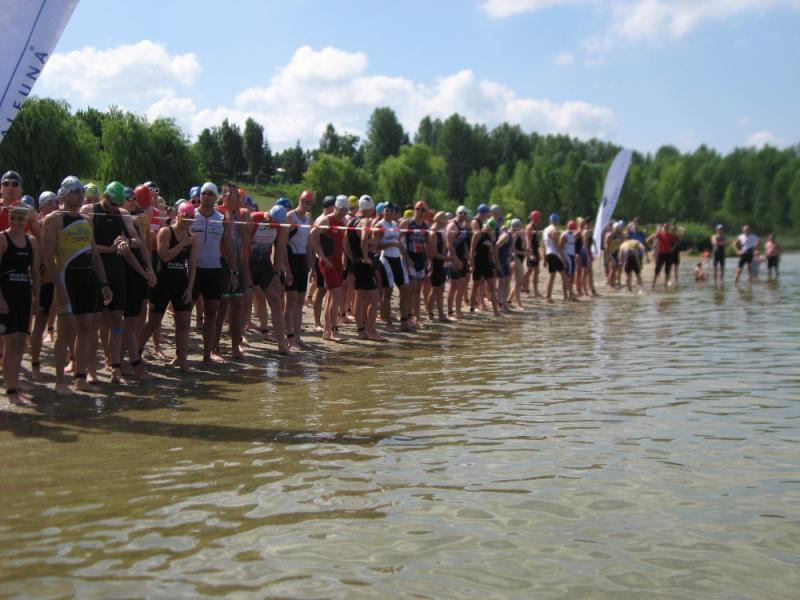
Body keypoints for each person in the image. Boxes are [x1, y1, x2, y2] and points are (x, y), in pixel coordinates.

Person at [41, 176, 112, 395]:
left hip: (87, 281)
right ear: (64, 195)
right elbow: (47, 258)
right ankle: (60, 381)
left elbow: (94, 256)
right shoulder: (53, 220)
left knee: (87, 328)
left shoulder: (85, 220)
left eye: (82, 191)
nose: (81, 196)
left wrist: (104, 283)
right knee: (65, 331)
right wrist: (59, 287)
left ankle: (81, 378)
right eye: (76, 192)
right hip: (66, 280)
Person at [81, 181, 152, 383]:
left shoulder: (123, 214)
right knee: (93, 322)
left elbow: (138, 241)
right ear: (105, 197)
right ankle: (91, 370)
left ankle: (116, 368)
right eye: (112, 204)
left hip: (116, 271)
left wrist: (125, 242)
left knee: (117, 322)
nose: (115, 208)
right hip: (95, 270)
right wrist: (109, 249)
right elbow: (86, 244)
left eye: (118, 204)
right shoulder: (90, 210)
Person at [141, 201, 197, 371]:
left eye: (192, 217)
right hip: (162, 282)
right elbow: (164, 256)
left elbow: (192, 266)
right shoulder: (165, 232)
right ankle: (136, 353)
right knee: (154, 321)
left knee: (183, 323)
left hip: (181, 283)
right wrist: (182, 244)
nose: (188, 220)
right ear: (178, 215)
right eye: (186, 216)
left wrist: (190, 289)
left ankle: (182, 360)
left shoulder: (192, 238)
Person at [190, 182, 238, 364]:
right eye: (204, 193)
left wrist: (234, 272)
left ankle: (207, 355)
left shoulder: (221, 218)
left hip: (214, 270)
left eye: (210, 194)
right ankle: (180, 355)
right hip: (193, 270)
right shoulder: (191, 215)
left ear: (215, 197)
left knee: (211, 313)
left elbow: (229, 246)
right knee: (184, 313)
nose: (206, 196)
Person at [0, 206, 40, 406]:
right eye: (12, 218)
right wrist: (0, 300)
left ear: (26, 221)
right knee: (11, 343)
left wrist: (37, 298)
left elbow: (35, 273)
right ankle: (10, 390)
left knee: (20, 344)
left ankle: (15, 385)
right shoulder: (2, 239)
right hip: (6, 295)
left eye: (20, 219)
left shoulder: (31, 242)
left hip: (23, 295)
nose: (15, 222)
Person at [214, 183, 251, 360]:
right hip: (222, 262)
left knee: (237, 305)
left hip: (239, 261)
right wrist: (228, 216)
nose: (231, 196)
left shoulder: (242, 214)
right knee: (222, 307)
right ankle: (215, 347)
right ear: (223, 196)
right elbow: (225, 239)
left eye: (234, 194)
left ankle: (235, 346)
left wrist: (241, 219)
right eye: (227, 194)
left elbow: (246, 240)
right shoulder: (218, 213)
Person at [250, 205, 291, 354]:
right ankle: (240, 340)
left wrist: (277, 272)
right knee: (246, 302)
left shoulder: (281, 226)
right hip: (248, 263)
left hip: (264, 265)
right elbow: (243, 245)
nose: (272, 225)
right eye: (271, 222)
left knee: (276, 302)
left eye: (275, 224)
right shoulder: (255, 218)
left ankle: (282, 344)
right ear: (268, 215)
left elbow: (279, 248)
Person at [29, 191, 59, 382]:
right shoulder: (36, 226)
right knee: (38, 323)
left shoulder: (59, 223)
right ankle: (35, 365)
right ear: (42, 206)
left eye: (56, 201)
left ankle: (73, 361)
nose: (55, 205)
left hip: (58, 279)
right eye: (50, 202)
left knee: (67, 323)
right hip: (42, 280)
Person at [309, 194, 348, 342]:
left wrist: (345, 258)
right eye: (341, 209)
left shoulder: (343, 221)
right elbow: (312, 236)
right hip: (327, 262)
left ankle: (327, 331)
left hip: (337, 262)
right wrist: (322, 257)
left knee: (332, 296)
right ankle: (333, 331)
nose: (344, 212)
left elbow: (343, 242)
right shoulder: (326, 220)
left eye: (346, 210)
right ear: (335, 207)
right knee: (336, 294)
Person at [349, 195, 386, 340]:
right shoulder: (365, 221)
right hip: (364, 264)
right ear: (370, 209)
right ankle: (371, 331)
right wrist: (365, 257)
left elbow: (346, 242)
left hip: (356, 263)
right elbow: (364, 239)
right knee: (374, 297)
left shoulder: (352, 221)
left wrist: (352, 257)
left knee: (359, 297)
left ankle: (361, 330)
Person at [284, 190, 314, 349]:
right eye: (304, 201)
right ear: (299, 199)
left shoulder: (308, 219)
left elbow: (308, 245)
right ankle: (289, 337)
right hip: (291, 259)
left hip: (302, 261)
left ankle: (297, 337)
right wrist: (286, 269)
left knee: (300, 302)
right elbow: (281, 245)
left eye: (309, 202)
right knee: (290, 301)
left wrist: (313, 267)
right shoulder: (290, 217)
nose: (305, 204)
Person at [377, 203, 410, 330]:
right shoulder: (380, 225)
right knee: (388, 292)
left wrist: (407, 257)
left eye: (392, 210)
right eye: (387, 210)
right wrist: (390, 243)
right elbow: (376, 245)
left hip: (397, 259)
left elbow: (399, 243)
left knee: (405, 290)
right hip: (386, 259)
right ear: (383, 211)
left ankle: (404, 321)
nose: (390, 212)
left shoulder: (395, 225)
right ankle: (388, 323)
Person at [403, 200, 430, 326]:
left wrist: (428, 259)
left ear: (425, 212)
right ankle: (408, 315)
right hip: (410, 257)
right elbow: (399, 241)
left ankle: (417, 317)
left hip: (421, 258)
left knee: (418, 289)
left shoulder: (425, 225)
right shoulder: (408, 223)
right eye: (417, 209)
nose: (419, 211)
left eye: (422, 209)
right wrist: (406, 257)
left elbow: (427, 243)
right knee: (411, 287)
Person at [470, 216, 500, 316]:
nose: (490, 230)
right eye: (489, 228)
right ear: (486, 225)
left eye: (492, 229)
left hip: (487, 263)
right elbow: (472, 250)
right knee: (475, 286)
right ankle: (472, 307)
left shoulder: (489, 236)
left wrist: (494, 262)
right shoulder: (478, 234)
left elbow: (491, 250)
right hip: (478, 262)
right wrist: (472, 264)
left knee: (492, 286)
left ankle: (496, 311)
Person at [445, 205, 470, 320]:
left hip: (462, 258)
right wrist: (455, 260)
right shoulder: (452, 225)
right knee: (454, 286)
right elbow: (449, 245)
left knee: (462, 285)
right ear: (456, 213)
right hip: (454, 258)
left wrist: (467, 256)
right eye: (461, 213)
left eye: (465, 213)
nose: (463, 215)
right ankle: (450, 312)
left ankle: (458, 311)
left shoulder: (463, 226)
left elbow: (464, 243)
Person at [426, 211, 451, 322]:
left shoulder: (439, 233)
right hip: (435, 264)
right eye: (444, 222)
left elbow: (443, 249)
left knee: (440, 289)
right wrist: (447, 258)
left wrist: (445, 258)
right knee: (435, 290)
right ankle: (431, 313)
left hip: (440, 264)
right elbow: (433, 253)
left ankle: (440, 313)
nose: (445, 224)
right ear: (440, 222)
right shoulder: (433, 234)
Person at [543, 213, 568, 303]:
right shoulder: (553, 230)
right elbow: (557, 247)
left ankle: (567, 295)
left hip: (549, 254)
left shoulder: (545, 230)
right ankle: (549, 296)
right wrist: (563, 258)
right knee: (559, 275)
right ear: (557, 221)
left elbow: (544, 246)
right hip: (554, 255)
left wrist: (544, 259)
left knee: (559, 275)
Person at [649, 223, 676, 290]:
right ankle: (653, 284)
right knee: (657, 269)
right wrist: (652, 246)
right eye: (664, 227)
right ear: (663, 228)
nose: (666, 229)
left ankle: (666, 284)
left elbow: (675, 243)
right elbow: (651, 238)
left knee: (667, 269)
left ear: (668, 228)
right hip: (661, 253)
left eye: (667, 227)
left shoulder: (671, 235)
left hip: (668, 254)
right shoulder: (660, 234)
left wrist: (672, 248)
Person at [524, 210, 543, 297]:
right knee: (529, 271)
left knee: (536, 271)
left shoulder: (535, 227)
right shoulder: (530, 227)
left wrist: (538, 252)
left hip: (535, 250)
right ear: (535, 218)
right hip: (531, 250)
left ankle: (535, 290)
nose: (540, 219)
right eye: (539, 218)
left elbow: (536, 241)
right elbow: (528, 241)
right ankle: (526, 289)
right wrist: (531, 253)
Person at [508, 218, 526, 309]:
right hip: (516, 259)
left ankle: (509, 300)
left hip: (519, 259)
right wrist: (523, 252)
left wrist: (525, 251)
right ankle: (519, 304)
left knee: (519, 282)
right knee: (519, 282)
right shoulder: (514, 235)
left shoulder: (517, 234)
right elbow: (512, 249)